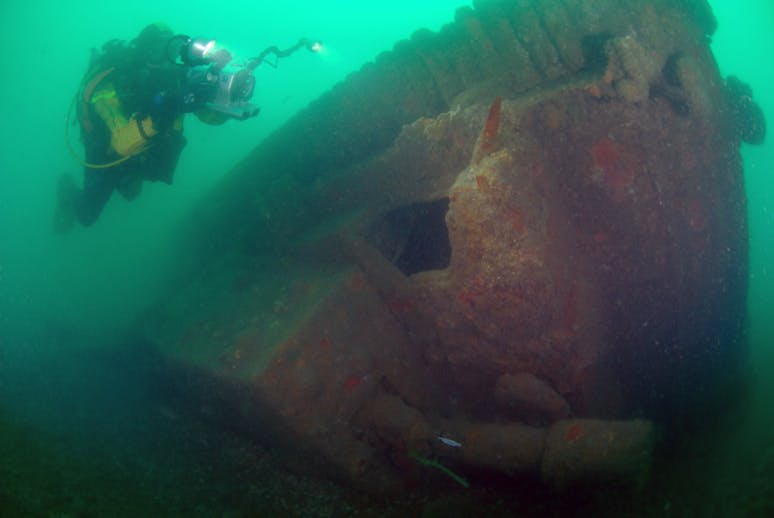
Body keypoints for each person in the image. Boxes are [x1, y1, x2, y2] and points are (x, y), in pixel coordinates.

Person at [55, 23, 259, 231]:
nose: (164, 61)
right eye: (156, 51)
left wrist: (224, 101)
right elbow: (121, 145)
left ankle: (127, 178)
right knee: (87, 215)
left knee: (132, 193)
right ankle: (66, 189)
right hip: (106, 152)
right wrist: (169, 109)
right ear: (142, 51)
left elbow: (208, 117)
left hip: (143, 149)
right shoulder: (109, 84)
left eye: (169, 51)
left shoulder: (174, 76)